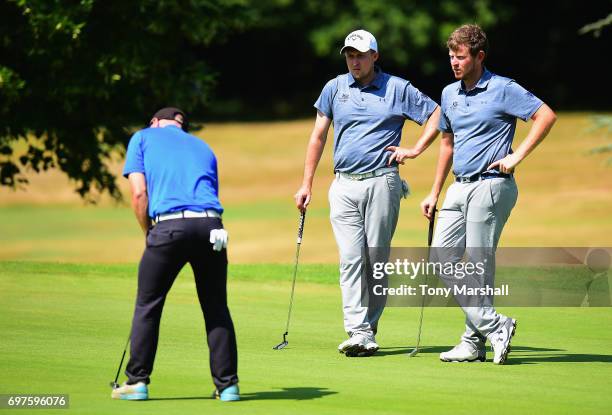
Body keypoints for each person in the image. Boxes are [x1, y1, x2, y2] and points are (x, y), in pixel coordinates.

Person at [294, 29, 440, 357]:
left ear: (375, 56)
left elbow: (436, 114)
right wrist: (307, 183)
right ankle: (357, 330)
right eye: (349, 55)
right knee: (350, 258)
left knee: (375, 260)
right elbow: (318, 136)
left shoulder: (397, 88)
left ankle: (368, 330)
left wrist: (415, 149)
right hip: (343, 184)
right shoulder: (334, 88)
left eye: (360, 55)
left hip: (383, 181)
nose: (354, 61)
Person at [418, 24, 557, 364]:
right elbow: (446, 144)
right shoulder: (449, 93)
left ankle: (475, 339)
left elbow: (545, 115)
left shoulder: (503, 88)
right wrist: (435, 191)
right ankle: (492, 327)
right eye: (451, 56)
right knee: (441, 259)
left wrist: (516, 156)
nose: (454, 62)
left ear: (479, 56)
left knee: (480, 265)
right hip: (458, 187)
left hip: (491, 185)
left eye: (461, 57)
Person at [112, 107, 240, 401]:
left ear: (155, 122)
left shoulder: (143, 138)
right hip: (212, 227)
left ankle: (137, 382)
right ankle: (227, 385)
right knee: (215, 306)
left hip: (169, 226)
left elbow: (139, 194)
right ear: (181, 126)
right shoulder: (203, 146)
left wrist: (148, 232)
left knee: (149, 304)